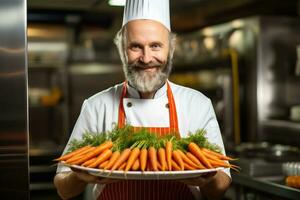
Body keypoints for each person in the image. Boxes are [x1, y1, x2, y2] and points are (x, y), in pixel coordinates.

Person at [54, 0, 231, 199]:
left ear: (170, 49)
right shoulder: (96, 106)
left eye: (155, 46)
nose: (146, 58)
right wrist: (81, 176)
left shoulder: (198, 104)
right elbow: (63, 188)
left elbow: (221, 186)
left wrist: (208, 178)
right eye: (136, 47)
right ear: (122, 50)